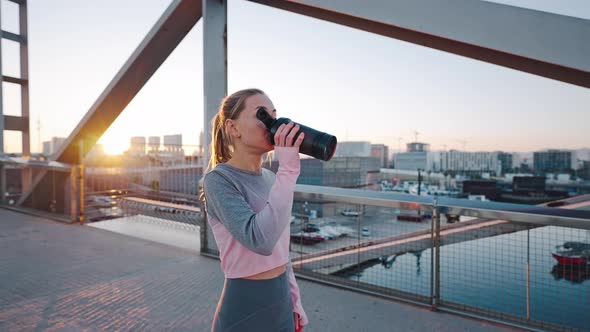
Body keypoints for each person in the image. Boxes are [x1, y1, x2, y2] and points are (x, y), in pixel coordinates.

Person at [202, 88, 308, 331]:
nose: (274, 123)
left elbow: (282, 249)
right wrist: (289, 171)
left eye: (274, 114)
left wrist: (295, 300)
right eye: (263, 115)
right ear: (233, 128)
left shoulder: (272, 178)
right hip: (244, 305)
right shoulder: (218, 181)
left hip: (281, 299)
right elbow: (260, 240)